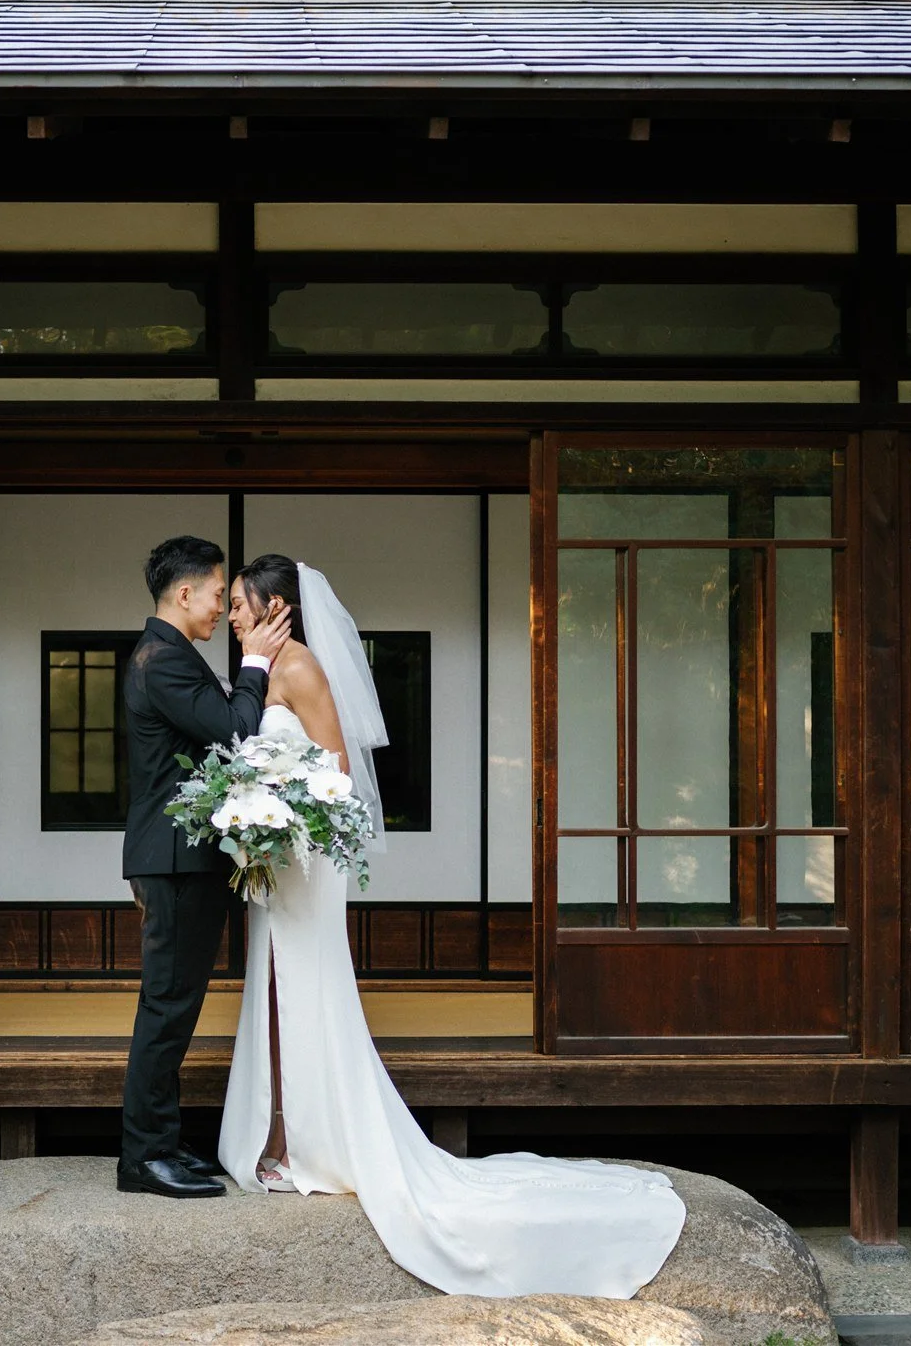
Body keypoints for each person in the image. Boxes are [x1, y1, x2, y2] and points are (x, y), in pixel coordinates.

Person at [215, 554, 688, 1299]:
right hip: (278, 863)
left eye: (242, 603)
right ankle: (279, 1136)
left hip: (306, 860)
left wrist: (283, 820)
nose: (233, 613)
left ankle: (311, 1143)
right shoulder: (261, 670)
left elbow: (335, 771)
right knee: (274, 991)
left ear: (279, 608)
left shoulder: (300, 669)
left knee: (304, 991)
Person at [117, 535, 294, 1200]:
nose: (224, 606)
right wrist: (254, 661)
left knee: (175, 1006)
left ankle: (160, 1143)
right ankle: (142, 1157)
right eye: (219, 593)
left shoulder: (172, 654)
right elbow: (233, 731)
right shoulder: (162, 660)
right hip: (173, 860)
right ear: (184, 592)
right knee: (166, 1007)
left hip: (183, 860)